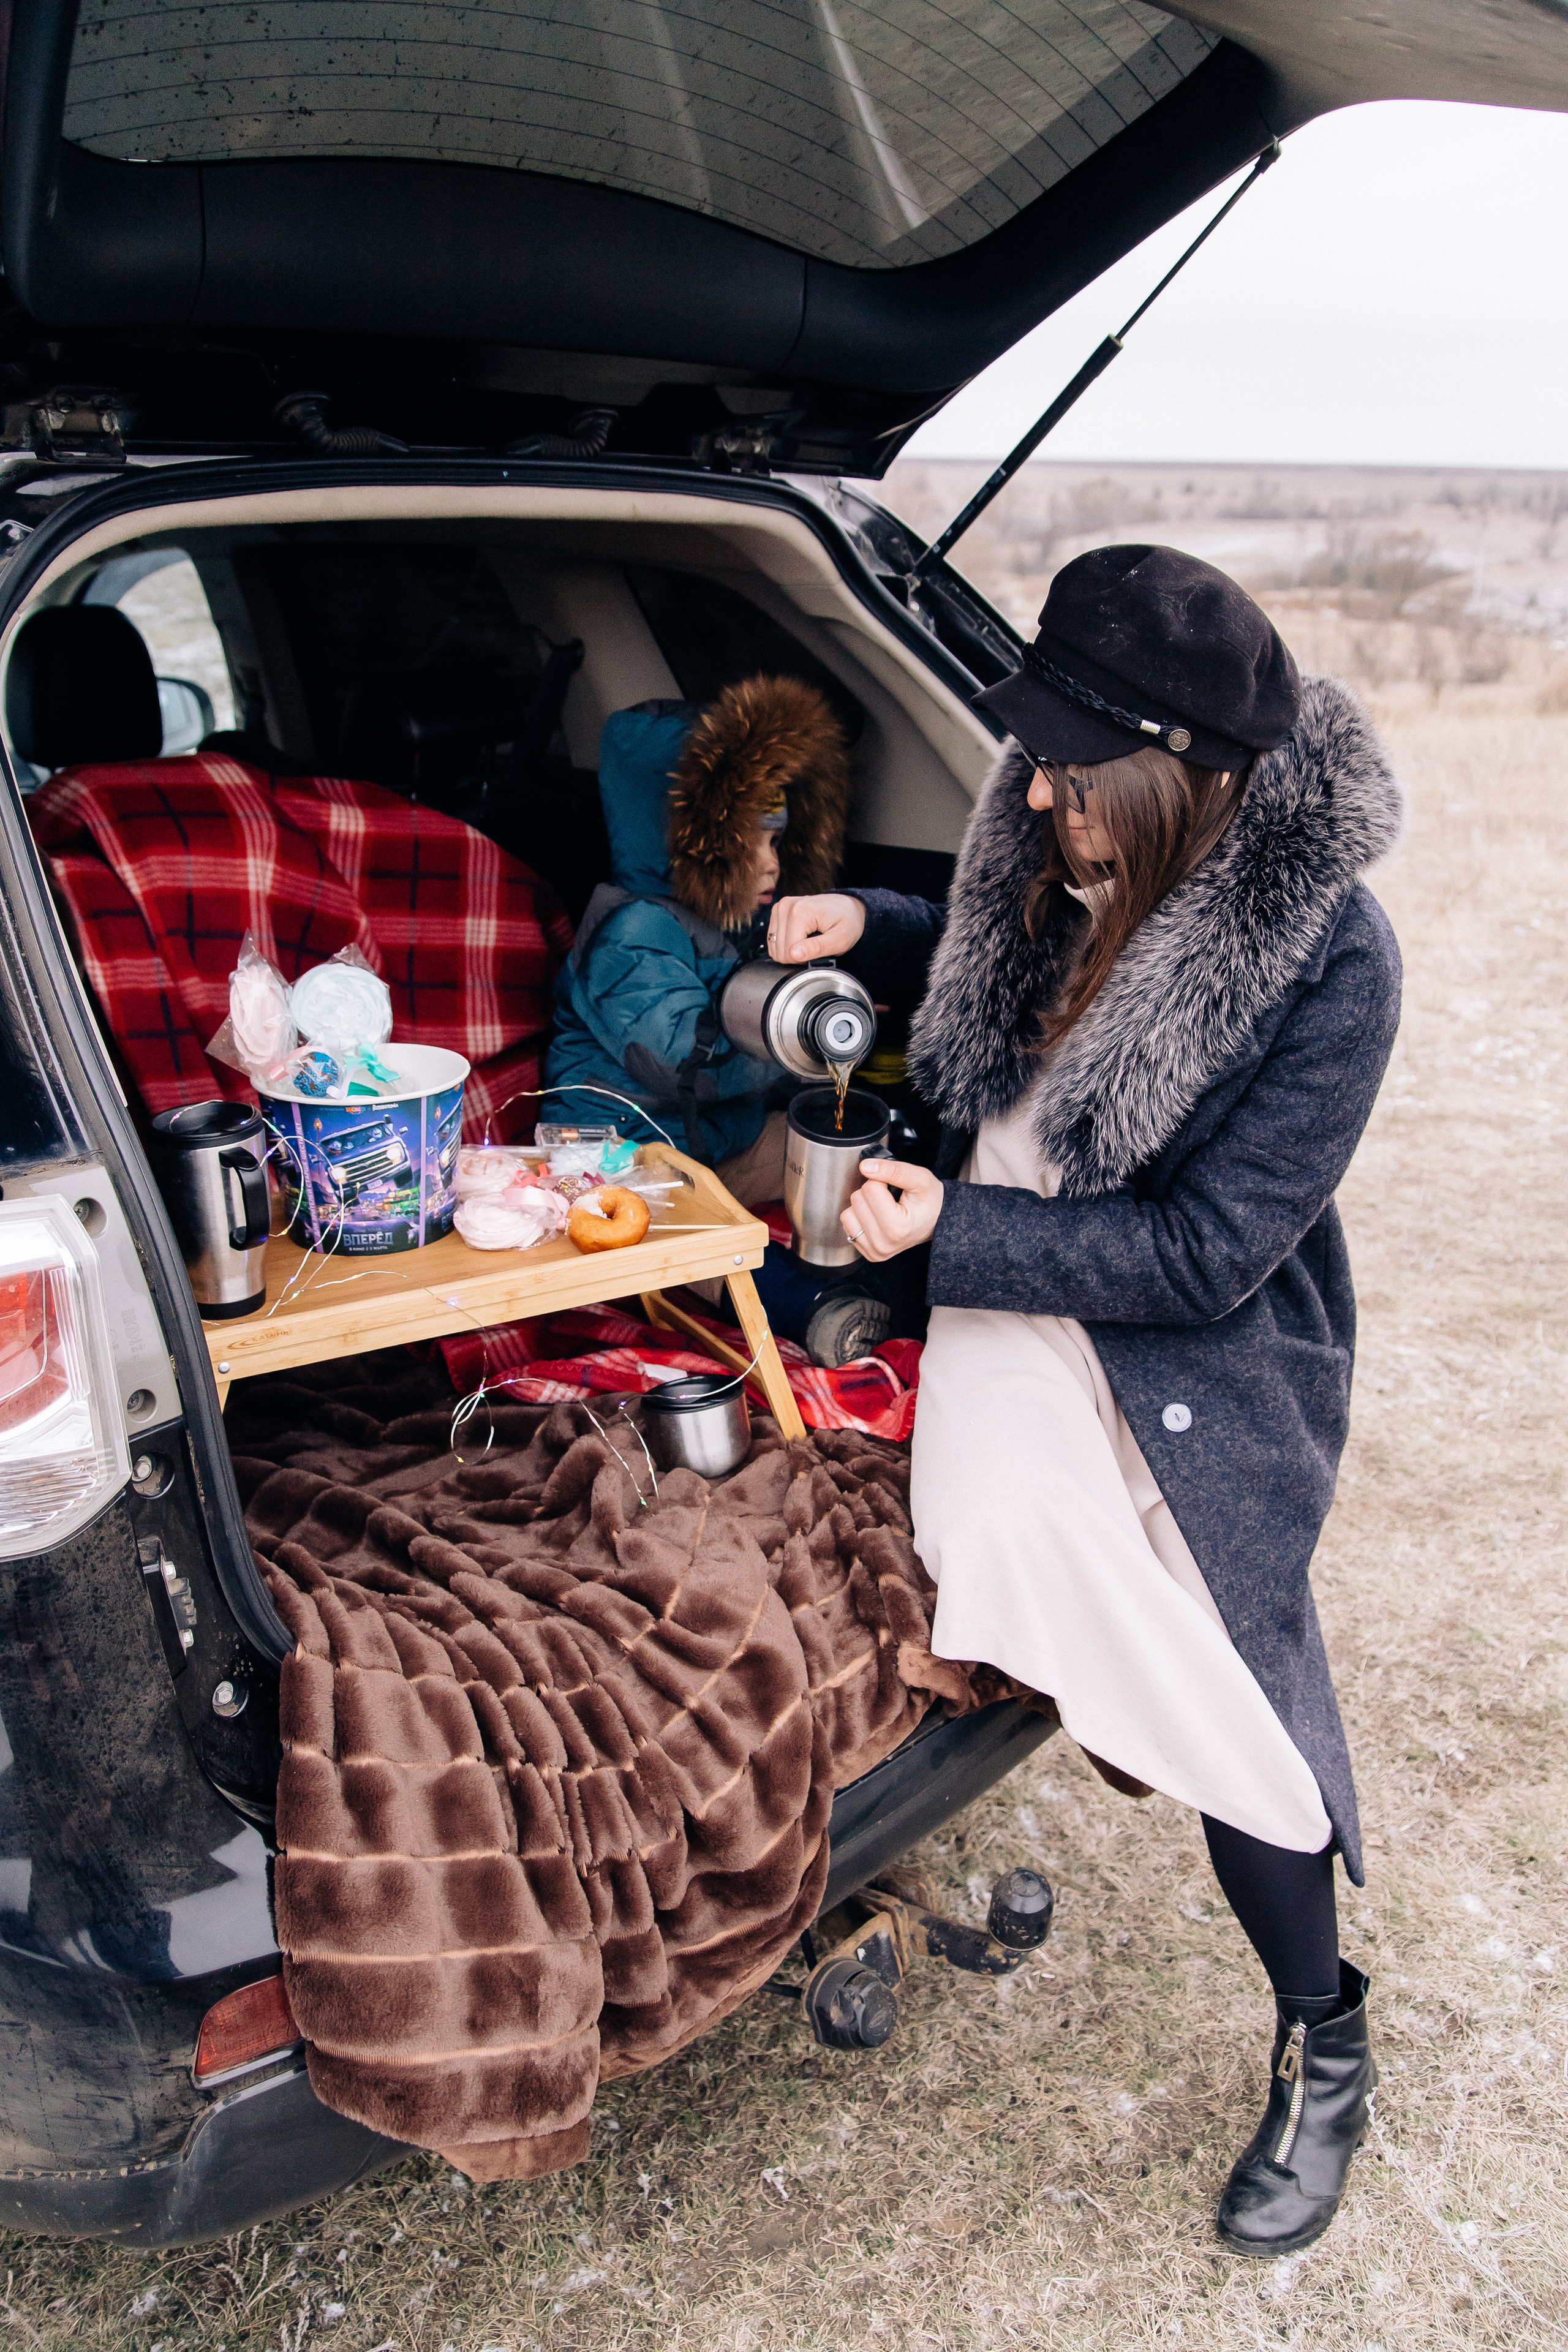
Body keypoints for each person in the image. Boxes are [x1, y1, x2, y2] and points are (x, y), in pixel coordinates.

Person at [764, 545, 1402, 2258]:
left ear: (1177, 773)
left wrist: (954, 1230)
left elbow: (1204, 1258)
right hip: (1004, 1282)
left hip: (1186, 1336)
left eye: (1067, 766)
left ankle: (1324, 2032)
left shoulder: (1332, 961)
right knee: (996, 1529)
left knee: (1216, 1645)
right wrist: (877, 922)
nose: (1034, 791)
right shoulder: (1069, 832)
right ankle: (1190, 1749)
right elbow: (1013, 974)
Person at [546, 673, 851, 1192]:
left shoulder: (731, 924)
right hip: (621, 1160)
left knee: (842, 1148)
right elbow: (684, 1066)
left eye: (776, 843)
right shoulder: (632, 934)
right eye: (747, 844)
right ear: (690, 844)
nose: (771, 865)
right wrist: (802, 1044)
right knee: (827, 1175)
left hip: (702, 1138)